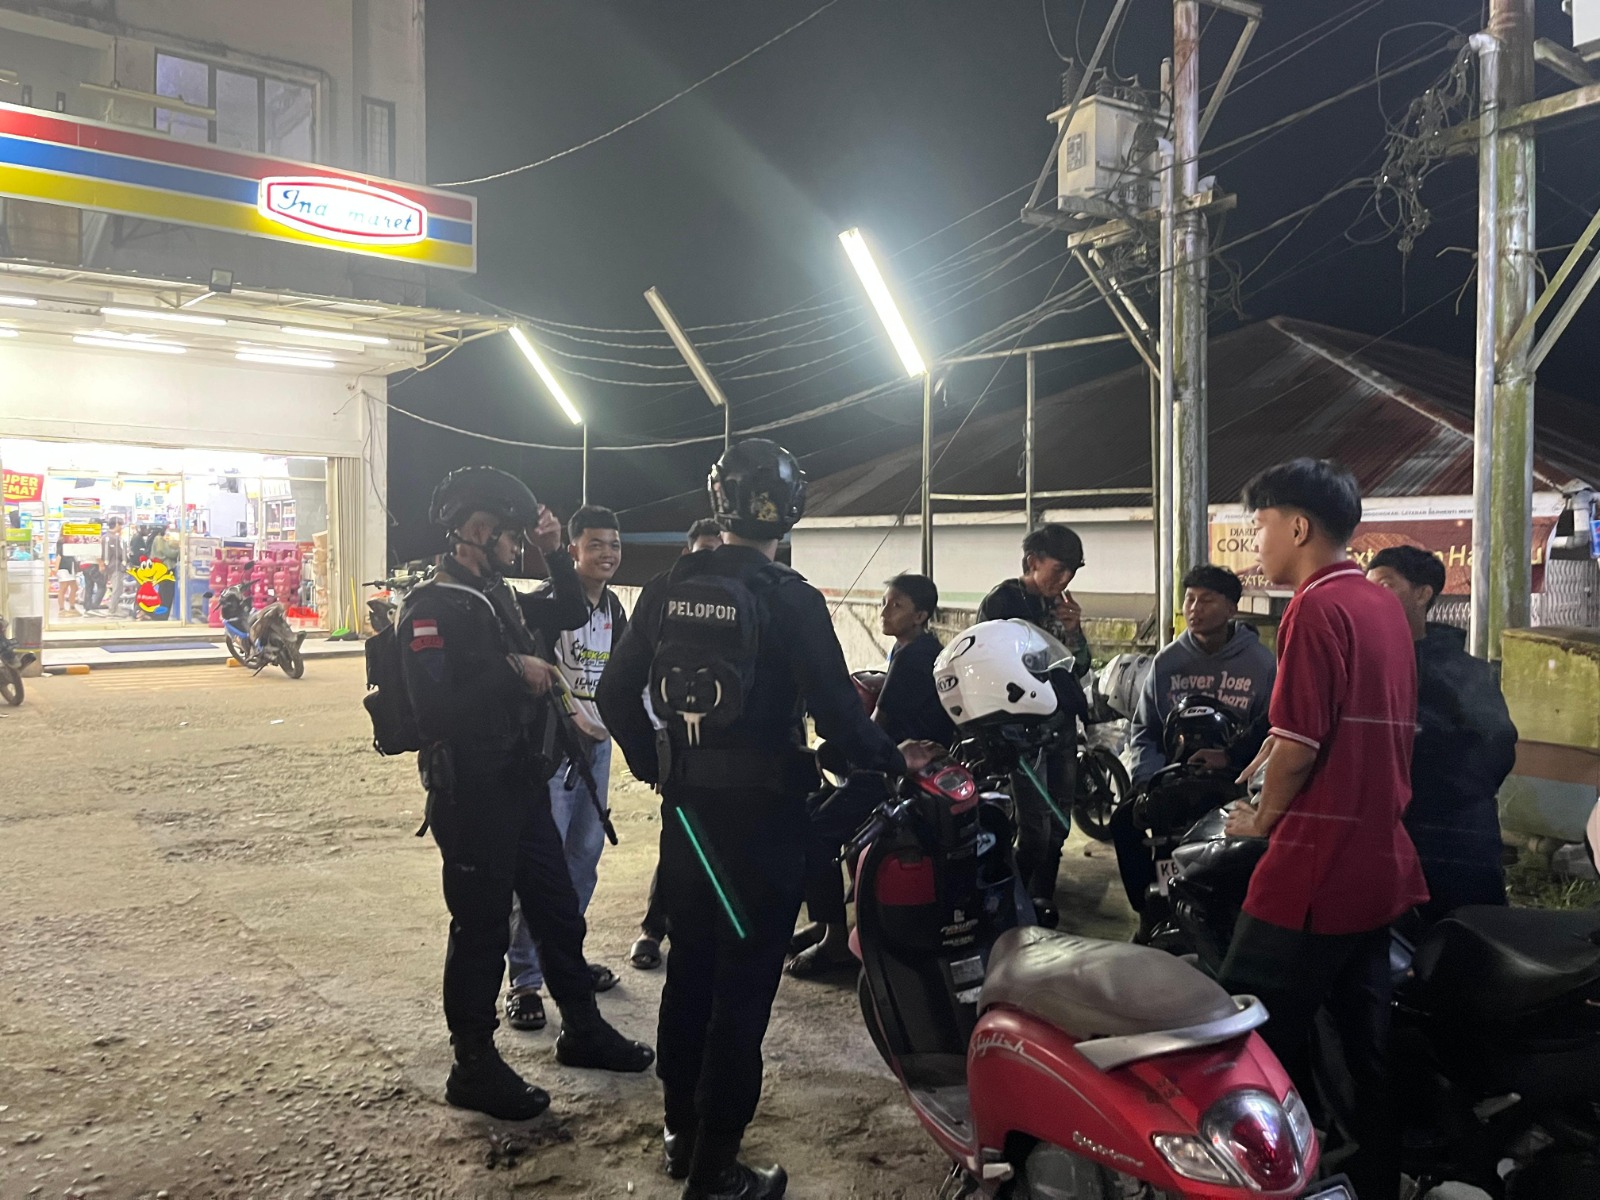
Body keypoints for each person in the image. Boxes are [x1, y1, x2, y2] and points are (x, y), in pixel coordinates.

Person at [599, 439, 939, 1200]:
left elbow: (617, 695)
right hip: (766, 824)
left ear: (718, 502)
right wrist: (895, 761)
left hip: (689, 822)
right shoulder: (791, 598)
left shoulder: (665, 588)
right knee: (743, 991)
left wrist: (659, 766)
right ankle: (717, 1171)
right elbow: (841, 719)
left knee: (690, 971)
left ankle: (681, 1134)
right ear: (791, 510)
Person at [398, 466, 653, 1123]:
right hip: (471, 794)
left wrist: (550, 551)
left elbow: (569, 609)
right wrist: (511, 667)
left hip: (519, 784)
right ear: (477, 531)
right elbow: (434, 710)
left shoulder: (498, 599)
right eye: (511, 538)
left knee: (557, 910)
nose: (516, 550)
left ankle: (583, 1029)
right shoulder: (432, 608)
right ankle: (472, 1064)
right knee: (481, 929)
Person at [1218, 458, 1427, 1200]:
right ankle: (1374, 1179)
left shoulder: (1313, 609)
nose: (1256, 543)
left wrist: (1260, 816)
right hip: (1377, 861)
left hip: (1314, 865)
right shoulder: (1379, 605)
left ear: (1299, 526)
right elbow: (1343, 721)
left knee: (1239, 1037)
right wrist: (1268, 754)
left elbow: (1303, 745)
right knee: (1361, 1047)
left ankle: (1257, 1180)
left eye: (1260, 526)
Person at [789, 572, 955, 977]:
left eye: (896, 605)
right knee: (809, 809)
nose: (884, 611)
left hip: (898, 774)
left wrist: (843, 750)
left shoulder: (916, 656)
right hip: (891, 762)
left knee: (815, 832)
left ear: (920, 615)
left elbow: (877, 724)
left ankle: (835, 941)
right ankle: (826, 922)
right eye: (884, 602)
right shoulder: (911, 649)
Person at [505, 505, 628, 1031]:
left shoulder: (615, 609)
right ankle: (525, 982)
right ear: (572, 549)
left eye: (614, 545)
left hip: (597, 750)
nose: (607, 554)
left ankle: (566, 962)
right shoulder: (549, 602)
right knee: (542, 867)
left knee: (582, 858)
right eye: (595, 544)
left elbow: (624, 677)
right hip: (554, 752)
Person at [1113, 564, 1276, 916]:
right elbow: (1145, 728)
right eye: (1189, 599)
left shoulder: (1261, 664)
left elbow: (1269, 731)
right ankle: (1150, 911)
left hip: (1232, 781)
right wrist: (1145, 779)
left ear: (1231, 608)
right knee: (1125, 820)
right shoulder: (1167, 662)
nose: (1194, 609)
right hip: (1173, 777)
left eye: (1207, 600)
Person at [1367, 545, 1516, 921]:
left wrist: (1431, 788)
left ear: (1422, 594)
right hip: (1383, 835)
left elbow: (1497, 748)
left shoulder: (1462, 671)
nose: (1373, 596)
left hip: (1453, 839)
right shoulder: (1365, 665)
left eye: (1385, 584)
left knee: (1463, 934)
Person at [976, 523, 1090, 923]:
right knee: (1035, 830)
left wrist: (1075, 632)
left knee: (1059, 824)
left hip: (1061, 727)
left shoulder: (1061, 605)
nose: (1065, 579)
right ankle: (1013, 908)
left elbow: (1080, 666)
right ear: (1032, 561)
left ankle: (1042, 901)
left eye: (1072, 571)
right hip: (1023, 733)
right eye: (1059, 569)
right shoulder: (1002, 602)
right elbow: (994, 665)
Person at [633, 518, 726, 973]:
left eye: (719, 550)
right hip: (677, 746)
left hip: (730, 756)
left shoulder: (746, 602)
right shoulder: (663, 598)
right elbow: (633, 682)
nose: (712, 560)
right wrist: (653, 755)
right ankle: (653, 929)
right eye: (704, 550)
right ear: (687, 552)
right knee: (680, 844)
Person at [103, 518, 127, 615]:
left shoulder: (105, 537)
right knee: (117, 588)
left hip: (109, 566)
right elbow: (119, 553)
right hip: (116, 566)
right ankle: (113, 609)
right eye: (120, 525)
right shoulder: (114, 538)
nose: (121, 527)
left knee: (116, 588)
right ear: (116, 524)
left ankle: (114, 608)